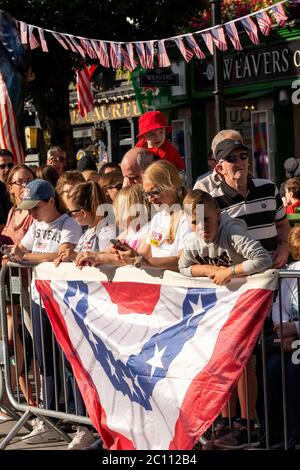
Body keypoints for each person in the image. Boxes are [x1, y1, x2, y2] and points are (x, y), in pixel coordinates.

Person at [206, 138, 290, 449]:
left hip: (270, 285)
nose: (240, 162)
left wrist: (282, 245)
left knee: (267, 352)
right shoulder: (213, 199)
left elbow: (282, 227)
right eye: (232, 159)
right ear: (219, 168)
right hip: (237, 289)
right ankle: (240, 424)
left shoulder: (268, 187)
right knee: (240, 358)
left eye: (243, 156)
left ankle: (266, 425)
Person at [10, 179, 82, 444]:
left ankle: (78, 420)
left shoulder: (68, 223)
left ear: (51, 201)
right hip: (39, 297)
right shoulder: (37, 224)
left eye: (36, 207)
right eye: (28, 208)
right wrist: (17, 252)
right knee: (44, 361)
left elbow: (63, 254)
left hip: (63, 301)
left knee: (68, 361)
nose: (31, 213)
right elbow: (23, 248)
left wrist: (26, 257)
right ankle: (50, 416)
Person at [259, 226, 300, 449]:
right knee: (273, 369)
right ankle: (275, 431)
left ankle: (296, 432)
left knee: (294, 371)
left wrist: (293, 328)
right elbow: (278, 305)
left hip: (296, 335)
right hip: (287, 337)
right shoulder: (289, 272)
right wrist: (281, 328)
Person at [179, 190, 272, 284]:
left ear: (218, 214)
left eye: (206, 219)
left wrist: (229, 272)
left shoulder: (233, 233)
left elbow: (264, 259)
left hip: (247, 292)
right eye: (195, 222)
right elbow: (182, 268)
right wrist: (207, 269)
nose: (202, 226)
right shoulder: (191, 241)